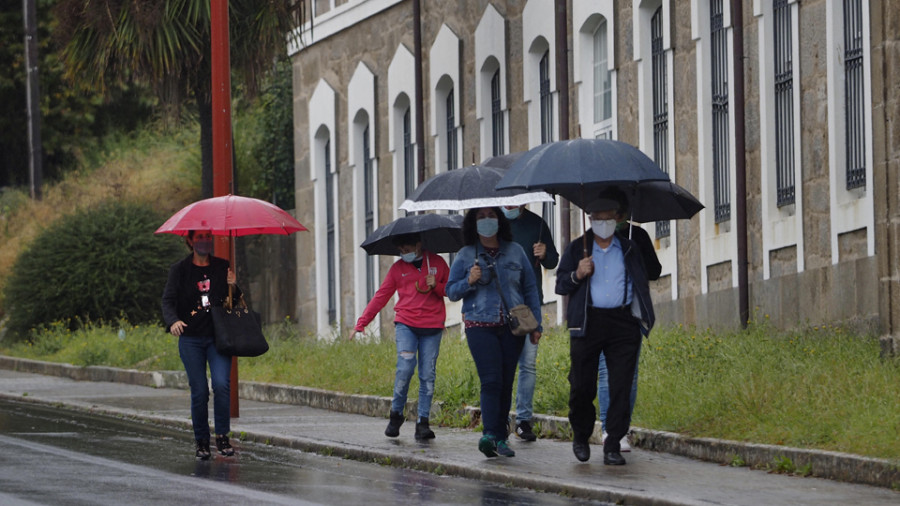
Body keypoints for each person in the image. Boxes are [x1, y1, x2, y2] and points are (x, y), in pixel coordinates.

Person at [555, 189, 655, 466]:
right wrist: (578, 273)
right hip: (588, 322)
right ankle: (581, 434)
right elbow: (561, 284)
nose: (601, 222)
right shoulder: (578, 248)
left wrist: (641, 313)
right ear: (589, 219)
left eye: (606, 217)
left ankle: (613, 442)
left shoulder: (629, 246)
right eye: (596, 217)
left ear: (617, 218)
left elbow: (647, 276)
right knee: (582, 385)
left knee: (621, 384)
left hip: (623, 323)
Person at [446, 207, 543, 458]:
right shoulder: (467, 255)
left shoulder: (516, 251)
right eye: (481, 217)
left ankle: (502, 438)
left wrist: (537, 326)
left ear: (499, 221)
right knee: (491, 380)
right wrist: (469, 280)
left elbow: (530, 289)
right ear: (473, 223)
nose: (487, 221)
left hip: (513, 327)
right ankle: (489, 434)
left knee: (506, 381)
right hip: (480, 325)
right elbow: (451, 291)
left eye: (491, 216)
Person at [350, 233, 449, 440]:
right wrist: (362, 323)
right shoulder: (397, 269)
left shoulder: (438, 263)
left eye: (407, 249)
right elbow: (381, 296)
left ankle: (423, 422)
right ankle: (396, 414)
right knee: (405, 367)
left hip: (432, 327)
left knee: (427, 375)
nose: (404, 254)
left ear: (419, 245)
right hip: (406, 325)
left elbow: (452, 290)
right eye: (401, 251)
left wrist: (436, 286)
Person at [162, 230, 238, 460]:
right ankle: (202, 441)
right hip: (191, 339)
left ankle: (222, 436)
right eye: (199, 237)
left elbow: (233, 304)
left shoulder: (222, 266)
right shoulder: (180, 270)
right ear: (190, 241)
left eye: (208, 236)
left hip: (218, 338)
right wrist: (173, 321)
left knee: (222, 385)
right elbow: (167, 300)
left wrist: (233, 286)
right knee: (200, 391)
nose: (204, 241)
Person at [597, 220, 661, 452]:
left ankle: (621, 429)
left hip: (630, 316)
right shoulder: (590, 241)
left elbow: (655, 271)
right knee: (605, 373)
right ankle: (608, 429)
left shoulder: (638, 236)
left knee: (628, 376)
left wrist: (634, 257)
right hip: (601, 316)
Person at [501, 205, 559, 442]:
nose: (511, 205)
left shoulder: (537, 224)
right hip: (502, 305)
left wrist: (544, 253)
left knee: (528, 364)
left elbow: (553, 261)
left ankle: (524, 420)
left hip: (529, 306)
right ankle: (501, 416)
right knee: (503, 366)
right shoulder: (494, 223)